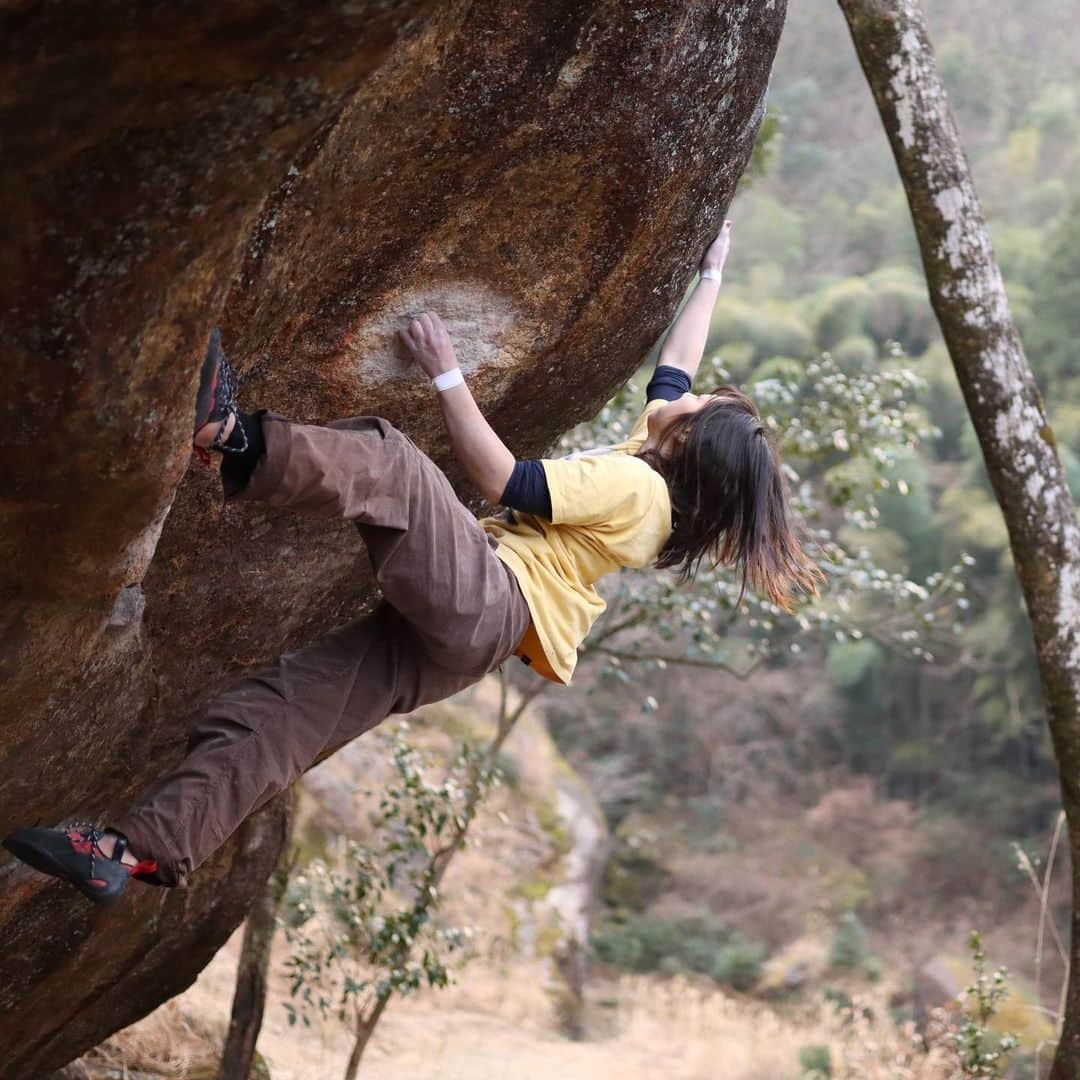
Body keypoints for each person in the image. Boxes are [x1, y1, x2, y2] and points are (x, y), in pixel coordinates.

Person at [3, 222, 819, 905]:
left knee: (392, 467)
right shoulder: (660, 469)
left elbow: (504, 481)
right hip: (468, 644)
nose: (691, 391)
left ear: (689, 443)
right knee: (280, 712)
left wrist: (447, 373)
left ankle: (231, 436)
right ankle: (130, 851)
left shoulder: (636, 487)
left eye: (701, 405)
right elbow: (676, 365)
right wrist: (711, 271)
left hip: (489, 599)